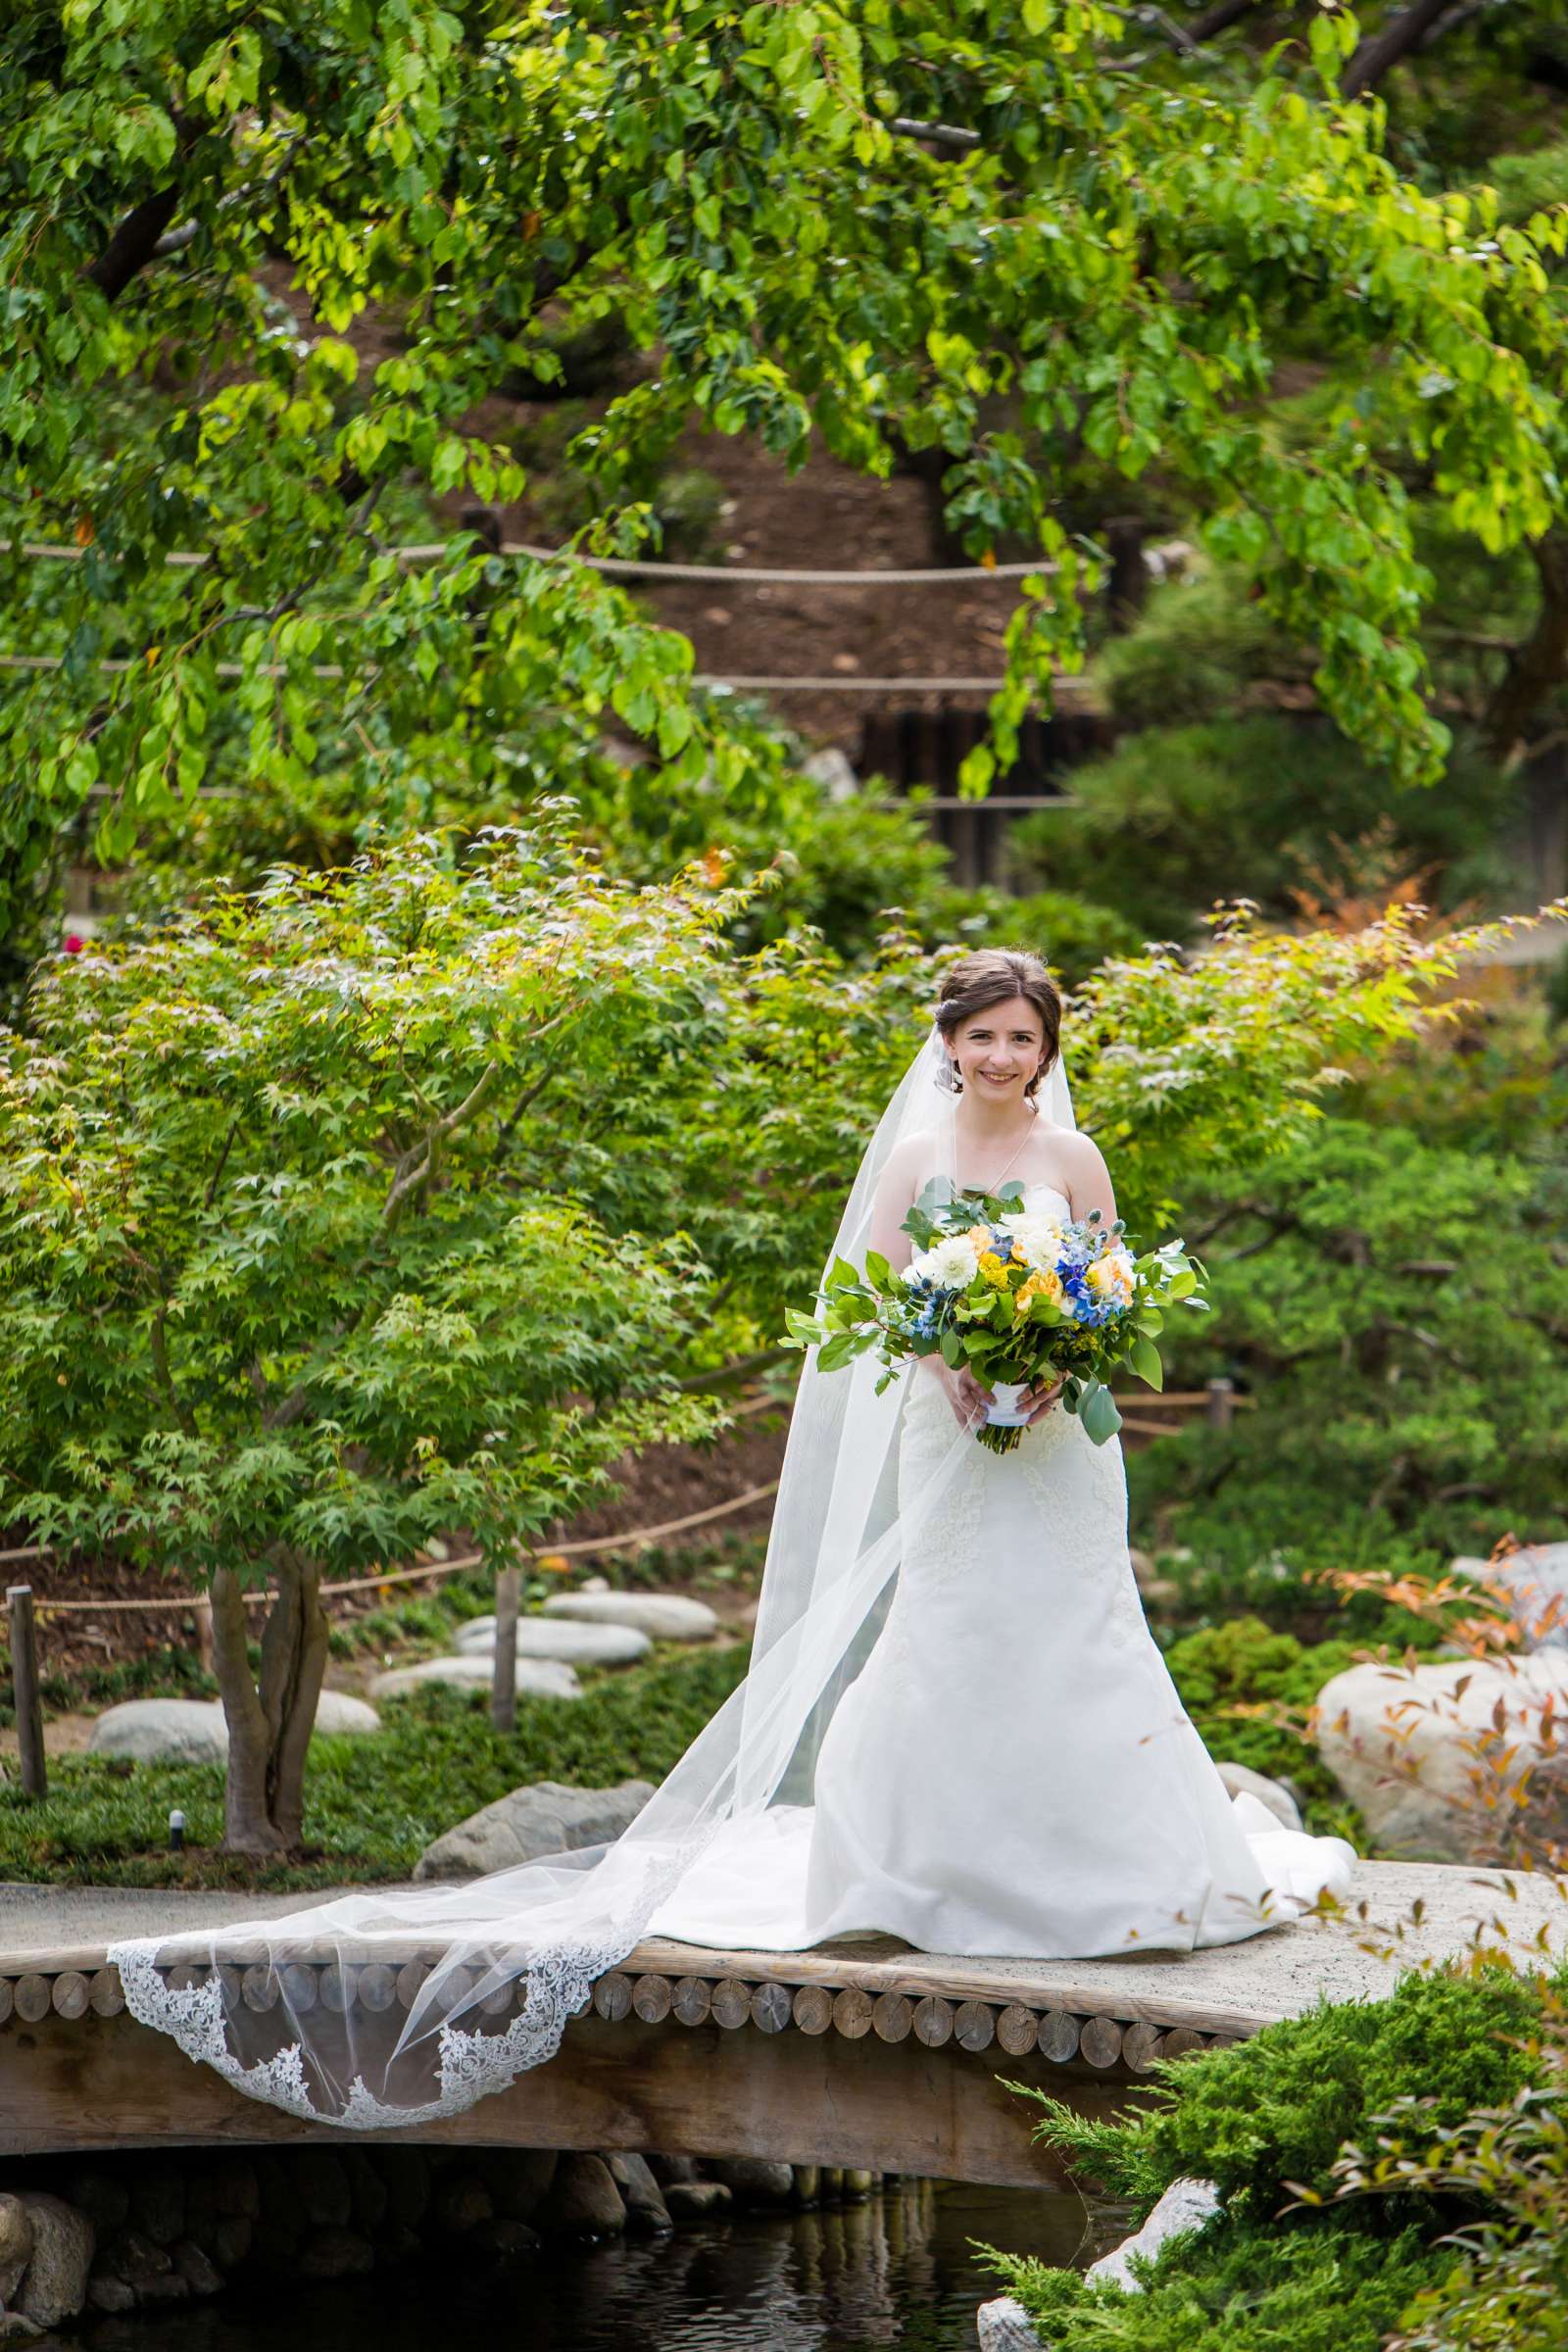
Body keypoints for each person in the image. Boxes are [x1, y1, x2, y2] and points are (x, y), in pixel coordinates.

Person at [109, 948, 1356, 2128]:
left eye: (1022, 1038)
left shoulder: (1073, 1155)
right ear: (949, 1041)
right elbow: (868, 1300)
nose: (1002, 1056)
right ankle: (933, 1877)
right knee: (953, 1631)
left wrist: (1049, 1356)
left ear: (1046, 1049)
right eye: (982, 1035)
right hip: (950, 1431)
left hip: (1060, 1452)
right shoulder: (915, 1159)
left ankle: (1114, 1877)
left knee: (1079, 1632)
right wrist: (953, 1370)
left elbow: (1108, 1283)